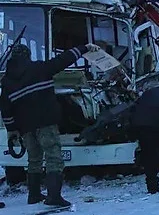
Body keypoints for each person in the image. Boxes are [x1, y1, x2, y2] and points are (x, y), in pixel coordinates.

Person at [0, 43, 100, 206]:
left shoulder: (7, 82)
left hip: (26, 128)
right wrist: (83, 48)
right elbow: (63, 60)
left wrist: (12, 130)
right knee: (53, 157)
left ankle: (34, 195)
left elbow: (5, 109)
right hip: (45, 123)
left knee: (34, 159)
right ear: (28, 55)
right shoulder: (40, 69)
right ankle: (54, 196)